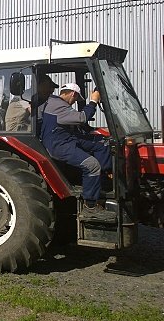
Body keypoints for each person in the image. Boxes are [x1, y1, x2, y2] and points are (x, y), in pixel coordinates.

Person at [39, 83, 114, 222]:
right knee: (92, 165)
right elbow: (82, 117)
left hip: (67, 138)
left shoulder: (55, 102)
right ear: (73, 94)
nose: (74, 102)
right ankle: (90, 205)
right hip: (59, 145)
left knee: (103, 142)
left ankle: (104, 178)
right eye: (75, 99)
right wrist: (94, 100)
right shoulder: (57, 105)